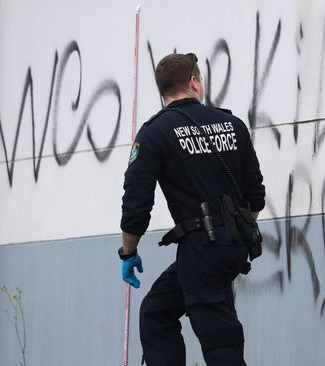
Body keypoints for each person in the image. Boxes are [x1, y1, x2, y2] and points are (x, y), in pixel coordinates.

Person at [118, 52, 265, 366]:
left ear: (163, 92)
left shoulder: (154, 133)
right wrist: (236, 230)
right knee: (157, 311)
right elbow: (256, 195)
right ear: (194, 82)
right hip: (232, 244)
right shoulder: (232, 124)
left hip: (202, 247)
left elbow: (136, 203)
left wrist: (128, 253)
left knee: (219, 338)